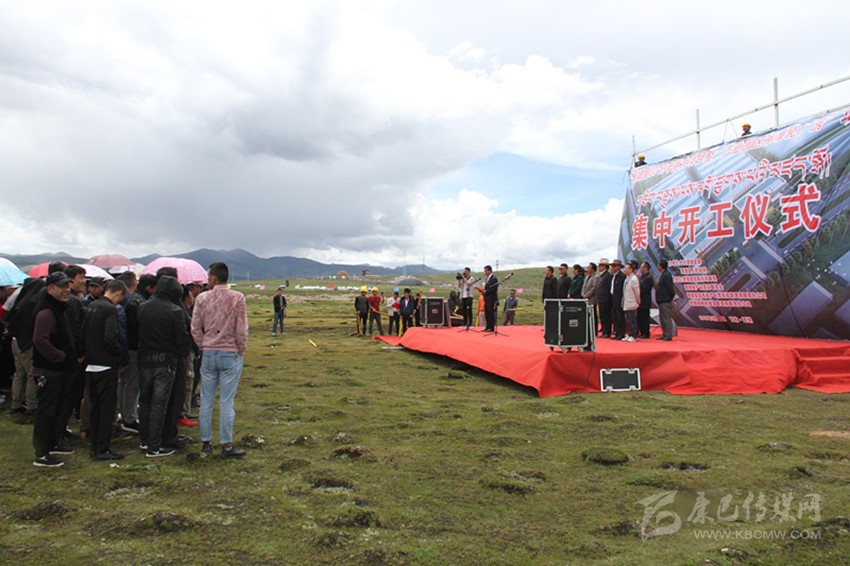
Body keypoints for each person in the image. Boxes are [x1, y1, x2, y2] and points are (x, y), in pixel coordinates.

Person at [191, 262, 249, 459]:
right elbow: (241, 328)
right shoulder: (237, 297)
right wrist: (240, 348)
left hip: (209, 352)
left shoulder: (202, 298)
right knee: (226, 401)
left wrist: (203, 344)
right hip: (230, 352)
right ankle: (226, 444)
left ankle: (206, 442)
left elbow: (195, 327)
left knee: (206, 399)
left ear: (214, 278)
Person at [137, 275, 190, 458]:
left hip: (145, 359)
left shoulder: (143, 307)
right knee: (159, 404)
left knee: (145, 401)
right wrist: (182, 355)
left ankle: (145, 440)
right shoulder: (175, 310)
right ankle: (154, 446)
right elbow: (181, 338)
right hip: (166, 360)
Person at [30, 272, 76, 468]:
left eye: (68, 286)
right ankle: (41, 454)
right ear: (50, 289)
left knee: (54, 409)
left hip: (58, 370)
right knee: (46, 412)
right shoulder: (46, 312)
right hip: (48, 371)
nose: (67, 290)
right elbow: (40, 340)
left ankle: (51, 444)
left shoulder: (58, 308)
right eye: (62, 286)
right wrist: (60, 357)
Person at [84, 279, 128, 461]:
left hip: (90, 362)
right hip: (106, 363)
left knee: (95, 406)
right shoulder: (110, 309)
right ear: (118, 293)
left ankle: (94, 443)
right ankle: (102, 447)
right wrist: (118, 355)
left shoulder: (91, 306)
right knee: (107, 408)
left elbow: (83, 332)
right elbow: (111, 336)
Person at [53, 265, 86, 451]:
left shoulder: (71, 300)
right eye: (81, 277)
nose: (84, 281)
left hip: (67, 355)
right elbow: (75, 329)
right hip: (71, 356)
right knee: (67, 394)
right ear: (71, 280)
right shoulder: (72, 302)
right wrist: (79, 353)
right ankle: (58, 433)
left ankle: (61, 429)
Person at [656, 259, 675, 341]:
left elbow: (670, 288)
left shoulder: (666, 275)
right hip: (662, 300)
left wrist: (670, 297)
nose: (657, 266)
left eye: (658, 265)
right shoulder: (663, 274)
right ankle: (664, 334)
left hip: (665, 300)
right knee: (663, 318)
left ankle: (668, 335)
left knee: (666, 318)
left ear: (661, 266)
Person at [622, 260, 641, 342]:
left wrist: (638, 301)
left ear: (631, 269)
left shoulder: (634, 279)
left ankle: (633, 335)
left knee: (632, 320)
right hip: (627, 302)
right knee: (628, 320)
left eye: (626, 268)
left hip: (632, 302)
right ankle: (629, 334)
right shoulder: (627, 278)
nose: (624, 270)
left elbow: (637, 291)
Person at [595, 259, 613, 338]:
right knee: (602, 316)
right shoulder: (601, 276)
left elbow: (609, 287)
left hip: (606, 299)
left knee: (606, 316)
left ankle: (607, 331)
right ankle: (604, 330)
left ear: (605, 266)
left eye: (601, 265)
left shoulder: (608, 275)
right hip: (600, 298)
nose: (599, 267)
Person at [610, 259, 626, 340]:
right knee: (615, 317)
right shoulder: (613, 276)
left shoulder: (622, 276)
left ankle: (621, 333)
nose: (612, 268)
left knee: (620, 317)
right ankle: (616, 332)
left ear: (619, 267)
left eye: (614, 266)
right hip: (613, 298)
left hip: (619, 299)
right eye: (612, 266)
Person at [479, 265, 499, 332]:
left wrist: (487, 291)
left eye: (485, 271)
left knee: (490, 312)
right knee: (487, 313)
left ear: (489, 270)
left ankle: (491, 327)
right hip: (486, 298)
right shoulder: (487, 279)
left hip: (491, 298)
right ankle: (487, 326)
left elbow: (494, 289)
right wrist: (483, 291)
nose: (484, 272)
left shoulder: (494, 278)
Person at [638, 262, 654, 339]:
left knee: (644, 317)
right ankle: (641, 332)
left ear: (646, 268)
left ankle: (646, 333)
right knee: (640, 317)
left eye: (642, 267)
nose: (640, 269)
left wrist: (637, 292)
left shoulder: (649, 278)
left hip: (645, 301)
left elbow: (644, 289)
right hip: (640, 300)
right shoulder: (642, 276)